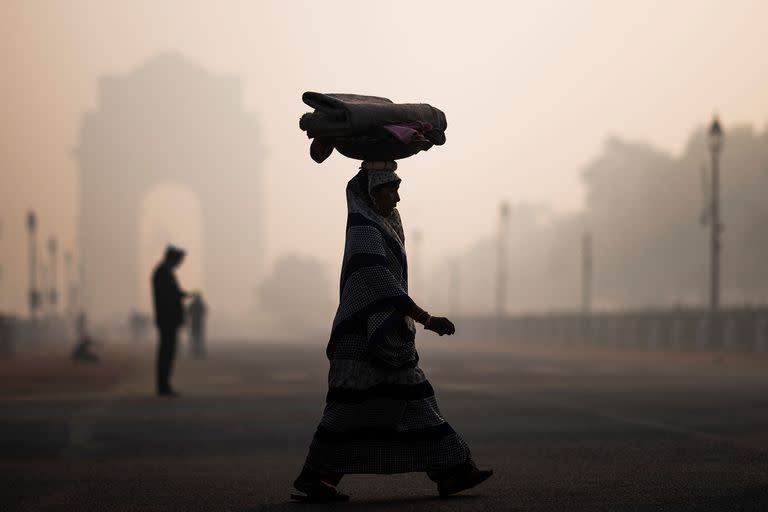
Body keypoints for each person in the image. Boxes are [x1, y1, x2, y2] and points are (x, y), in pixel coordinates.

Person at [291, 161, 492, 502]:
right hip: (361, 338)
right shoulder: (364, 230)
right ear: (373, 193)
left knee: (408, 402)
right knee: (352, 410)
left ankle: (451, 469)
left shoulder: (382, 223)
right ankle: (317, 477)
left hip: (385, 336)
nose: (397, 197)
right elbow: (379, 283)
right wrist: (426, 318)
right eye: (391, 189)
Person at [151, 245, 187, 397]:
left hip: (168, 318)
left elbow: (170, 293)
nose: (180, 263)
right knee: (166, 352)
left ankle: (164, 384)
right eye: (179, 260)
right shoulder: (163, 272)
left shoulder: (164, 271)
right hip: (167, 319)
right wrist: (179, 295)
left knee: (167, 352)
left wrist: (180, 294)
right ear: (172, 257)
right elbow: (168, 296)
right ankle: (163, 386)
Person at [187, 293, 207, 358]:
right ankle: (199, 351)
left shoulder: (192, 304)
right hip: (199, 322)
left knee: (194, 337)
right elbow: (205, 311)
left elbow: (188, 311)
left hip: (194, 322)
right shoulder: (201, 304)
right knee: (199, 337)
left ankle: (194, 350)